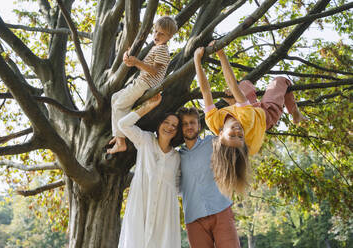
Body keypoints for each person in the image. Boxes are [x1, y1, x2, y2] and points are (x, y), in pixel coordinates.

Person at [193, 42, 307, 197]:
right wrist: (221, 53)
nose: (238, 131)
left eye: (232, 135)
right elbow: (232, 85)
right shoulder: (245, 122)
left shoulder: (212, 120)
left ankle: (235, 102)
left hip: (247, 108)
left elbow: (205, 91)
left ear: (219, 135)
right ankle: (295, 113)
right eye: (240, 137)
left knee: (245, 84)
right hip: (265, 115)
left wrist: (197, 61)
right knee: (280, 81)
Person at [106, 16, 178, 157]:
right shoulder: (156, 48)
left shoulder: (162, 50)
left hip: (145, 84)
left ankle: (121, 141)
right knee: (115, 98)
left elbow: (154, 71)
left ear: (169, 36)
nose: (156, 35)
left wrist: (136, 62)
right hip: (141, 81)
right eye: (155, 31)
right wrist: (131, 61)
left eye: (161, 33)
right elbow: (144, 66)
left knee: (120, 105)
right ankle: (119, 134)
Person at [117, 93, 181, 248]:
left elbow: (178, 187)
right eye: (167, 122)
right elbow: (123, 125)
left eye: (174, 125)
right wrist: (148, 106)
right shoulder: (145, 140)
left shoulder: (177, 157)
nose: (170, 127)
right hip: (140, 207)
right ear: (159, 125)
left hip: (164, 215)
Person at [178, 107, 241, 248]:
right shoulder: (176, 157)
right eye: (185, 123)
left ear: (199, 125)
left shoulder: (213, 142)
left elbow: (235, 133)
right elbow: (176, 187)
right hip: (194, 218)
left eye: (192, 122)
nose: (189, 126)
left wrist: (232, 103)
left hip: (221, 210)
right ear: (180, 128)